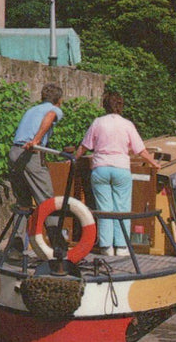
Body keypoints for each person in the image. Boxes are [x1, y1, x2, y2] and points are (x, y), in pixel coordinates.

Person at [73, 91, 159, 257]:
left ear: (105, 106)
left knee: (104, 208)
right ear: (121, 106)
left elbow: (84, 146)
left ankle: (106, 247)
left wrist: (74, 159)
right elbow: (140, 149)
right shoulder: (127, 124)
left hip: (100, 169)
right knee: (121, 208)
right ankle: (121, 246)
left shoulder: (98, 123)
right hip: (121, 169)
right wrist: (154, 163)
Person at [8, 83, 65, 256]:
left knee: (23, 203)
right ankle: (59, 248)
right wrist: (37, 140)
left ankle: (15, 248)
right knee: (47, 200)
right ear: (58, 100)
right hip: (30, 154)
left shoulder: (31, 110)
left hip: (14, 153)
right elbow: (50, 116)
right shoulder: (54, 109)